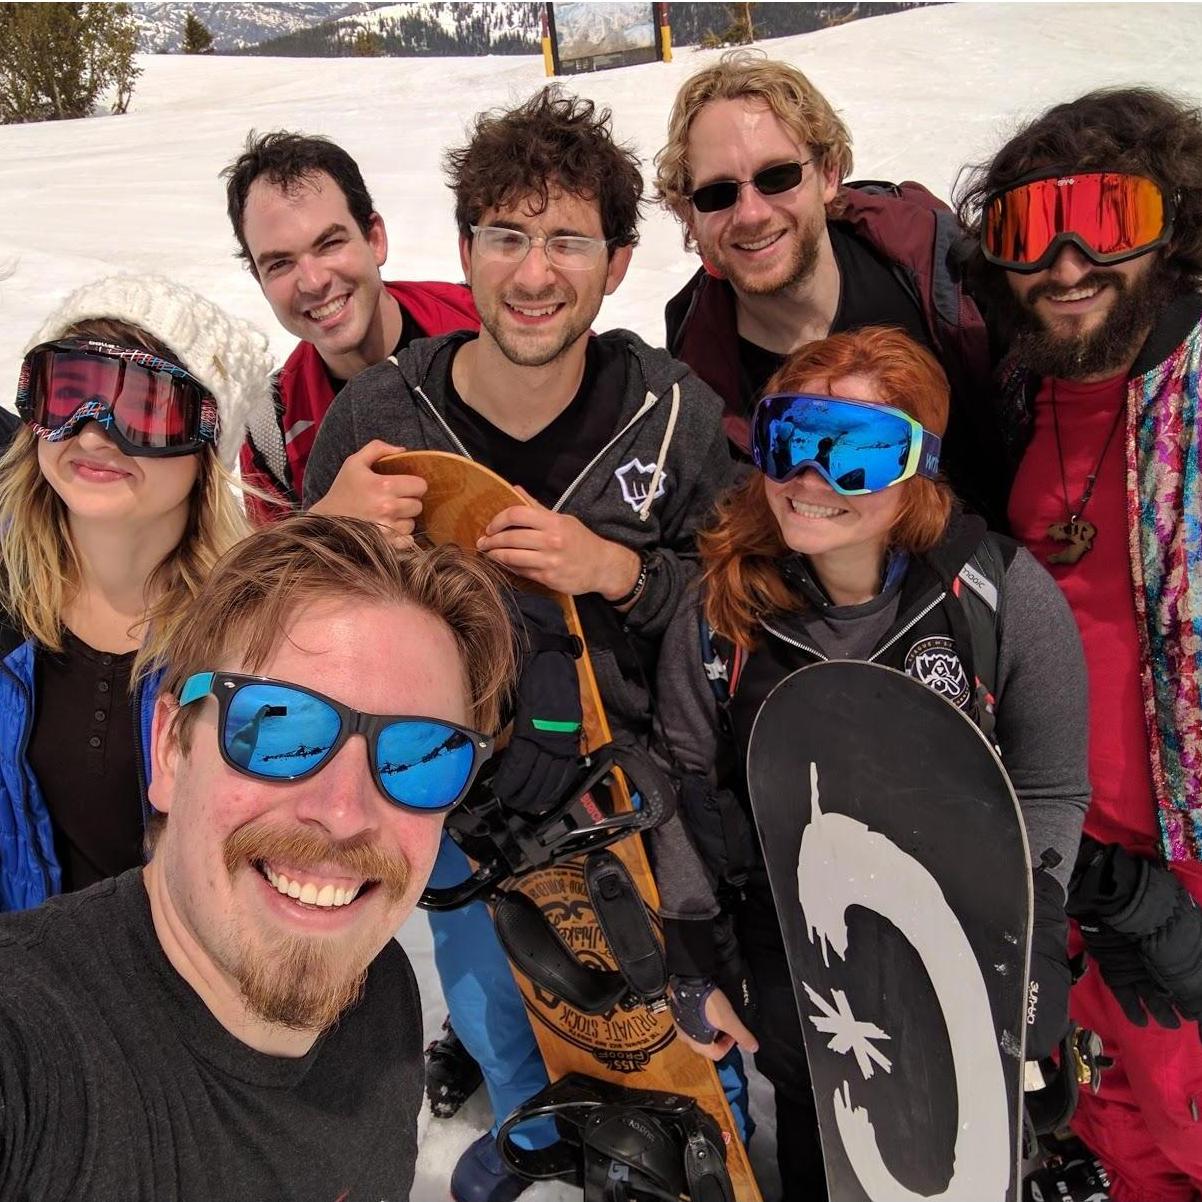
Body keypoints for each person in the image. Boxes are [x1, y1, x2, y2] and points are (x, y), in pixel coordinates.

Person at [303, 86, 736, 1202]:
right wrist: (326, 536)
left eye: (563, 239)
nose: (532, 272)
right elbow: (301, 623)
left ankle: (676, 1156)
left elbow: (741, 605)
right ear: (464, 247)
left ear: (619, 259)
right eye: (504, 236)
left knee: (654, 1021)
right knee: (492, 996)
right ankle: (542, 1134)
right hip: (454, 790)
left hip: (630, 793)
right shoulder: (383, 419)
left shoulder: (670, 412)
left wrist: (620, 572)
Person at [649, 326, 1089, 1199]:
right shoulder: (718, 615)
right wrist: (696, 963)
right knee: (829, 1157)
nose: (811, 480)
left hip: (959, 958)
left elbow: (1048, 785)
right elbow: (684, 791)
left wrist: (1027, 938)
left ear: (918, 464)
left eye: (857, 453)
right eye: (789, 441)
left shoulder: (995, 594)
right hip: (803, 964)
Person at [0, 513, 517, 1201]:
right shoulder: (33, 1050)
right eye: (280, 728)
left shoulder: (381, 994)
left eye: (419, 756)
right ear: (170, 749)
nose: (342, 812)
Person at [956, 86, 1202, 1202]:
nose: (1062, 262)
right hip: (1071, 868)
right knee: (1116, 1122)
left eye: (1105, 218)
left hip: (1184, 875)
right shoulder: (1013, 392)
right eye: (1024, 231)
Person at [0, 274, 268, 912]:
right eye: (69, 394)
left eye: (144, 410)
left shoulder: (253, 637)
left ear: (209, 443)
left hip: (175, 997)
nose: (93, 434)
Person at [654, 49, 1007, 526]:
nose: (752, 214)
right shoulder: (695, 379)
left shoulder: (939, 269)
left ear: (829, 174)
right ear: (688, 216)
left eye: (777, 177)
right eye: (717, 193)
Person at [222, 130, 479, 517]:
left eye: (329, 244)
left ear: (374, 238)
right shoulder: (272, 428)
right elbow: (268, 574)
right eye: (280, 264)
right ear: (260, 281)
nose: (313, 281)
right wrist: (326, 528)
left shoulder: (483, 320)